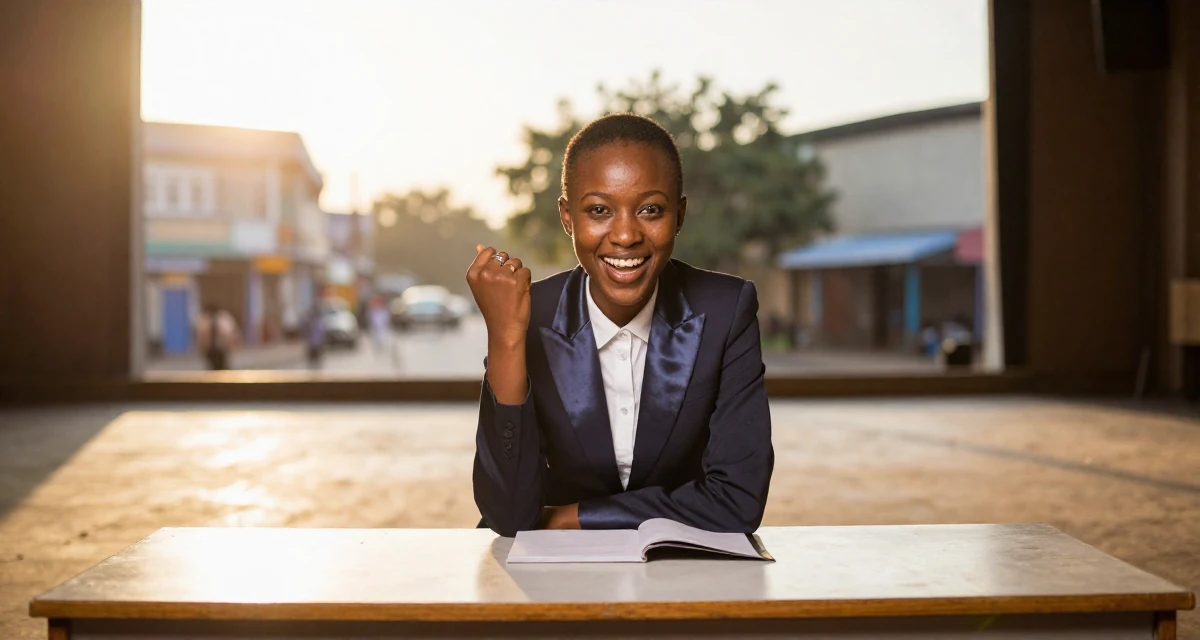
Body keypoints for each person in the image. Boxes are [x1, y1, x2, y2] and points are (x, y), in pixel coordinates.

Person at [467, 113, 773, 537]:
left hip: (680, 577)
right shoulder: (530, 313)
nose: (626, 235)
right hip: (552, 579)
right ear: (568, 218)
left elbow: (737, 503)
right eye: (598, 210)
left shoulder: (725, 311)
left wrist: (571, 517)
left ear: (679, 215)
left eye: (650, 209)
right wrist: (504, 338)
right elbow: (508, 517)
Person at [194, 303, 240, 371]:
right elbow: (200, 336)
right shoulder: (204, 320)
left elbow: (232, 334)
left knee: (222, 368)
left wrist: (232, 346)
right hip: (210, 349)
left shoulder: (224, 319)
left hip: (221, 349)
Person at [304, 303, 326, 370]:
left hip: (316, 343)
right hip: (313, 343)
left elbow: (322, 333)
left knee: (316, 361)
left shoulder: (318, 321)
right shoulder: (312, 322)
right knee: (313, 361)